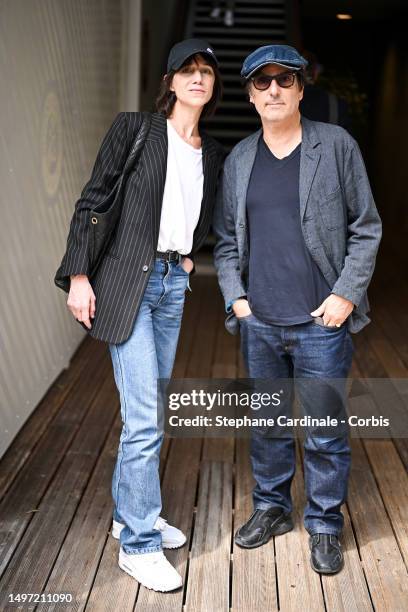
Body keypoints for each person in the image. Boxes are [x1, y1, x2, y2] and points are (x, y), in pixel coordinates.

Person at [55, 38, 223, 592]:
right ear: (170, 82)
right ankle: (139, 545)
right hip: (130, 283)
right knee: (146, 417)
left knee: (149, 409)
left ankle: (133, 514)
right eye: (188, 71)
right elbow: (93, 200)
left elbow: (197, 213)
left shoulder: (210, 149)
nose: (198, 79)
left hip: (174, 284)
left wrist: (187, 250)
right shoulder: (136, 129)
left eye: (206, 73)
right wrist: (80, 276)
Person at [213, 44, 381, 574]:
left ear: (301, 88)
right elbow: (223, 242)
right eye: (262, 84)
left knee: (325, 429)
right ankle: (272, 507)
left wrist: (346, 294)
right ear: (251, 95)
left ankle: (326, 524)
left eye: (284, 80)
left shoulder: (334, 146)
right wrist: (236, 299)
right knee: (267, 424)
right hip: (259, 321)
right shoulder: (239, 159)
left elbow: (366, 226)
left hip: (321, 322)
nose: (274, 91)